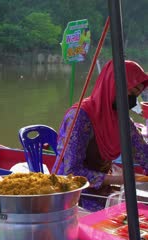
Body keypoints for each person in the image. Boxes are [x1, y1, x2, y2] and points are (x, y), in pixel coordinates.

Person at [52, 60, 148, 212]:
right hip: (71, 195)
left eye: (136, 95)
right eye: (130, 93)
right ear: (113, 86)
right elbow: (72, 172)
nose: (132, 101)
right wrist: (122, 179)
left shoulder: (121, 120)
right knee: (125, 219)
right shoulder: (79, 118)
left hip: (101, 190)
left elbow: (144, 154)